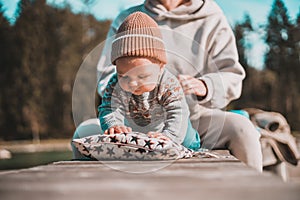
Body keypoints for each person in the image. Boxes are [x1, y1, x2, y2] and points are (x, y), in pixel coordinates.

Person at [74, 0, 263, 172]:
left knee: (242, 129)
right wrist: (127, 96)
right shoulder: (127, 19)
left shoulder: (212, 18)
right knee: (82, 133)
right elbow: (106, 73)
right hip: (131, 121)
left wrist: (205, 85)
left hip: (196, 117)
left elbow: (232, 75)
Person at [99, 11, 200, 150]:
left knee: (189, 142)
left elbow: (178, 112)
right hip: (137, 127)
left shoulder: (168, 84)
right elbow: (109, 108)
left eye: (142, 77)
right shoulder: (115, 83)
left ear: (160, 67)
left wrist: (169, 136)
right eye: (124, 76)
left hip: (171, 125)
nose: (133, 83)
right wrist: (114, 125)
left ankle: (193, 142)